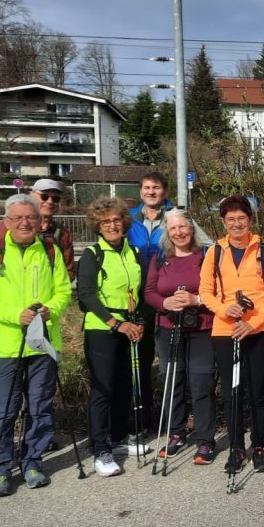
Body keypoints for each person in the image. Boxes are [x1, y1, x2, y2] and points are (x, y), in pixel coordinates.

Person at [0, 194, 72, 496]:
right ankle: (1, 468)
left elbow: (63, 291)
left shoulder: (50, 250)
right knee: (4, 411)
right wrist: (16, 315)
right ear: (7, 221)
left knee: (40, 407)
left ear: (40, 221)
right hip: (5, 345)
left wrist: (50, 310)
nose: (25, 223)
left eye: (30, 217)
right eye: (17, 218)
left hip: (42, 343)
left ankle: (33, 462)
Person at [200, 195, 264, 475]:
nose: (237, 224)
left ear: (250, 219)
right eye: (231, 219)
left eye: (242, 218)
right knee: (232, 392)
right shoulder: (215, 252)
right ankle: (236, 448)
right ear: (223, 222)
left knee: (258, 391)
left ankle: (258, 447)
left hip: (259, 330)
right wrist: (224, 309)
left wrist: (254, 323)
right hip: (225, 330)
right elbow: (205, 291)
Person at [127, 171, 210, 435]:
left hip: (182, 302)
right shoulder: (130, 219)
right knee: (149, 365)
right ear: (141, 191)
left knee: (194, 376)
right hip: (143, 298)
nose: (151, 192)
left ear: (164, 191)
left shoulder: (177, 216)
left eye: (156, 187)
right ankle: (146, 422)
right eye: (147, 187)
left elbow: (207, 246)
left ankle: (198, 430)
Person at [77, 197, 149, 477]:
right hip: (102, 328)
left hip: (129, 325)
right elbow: (86, 295)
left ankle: (118, 438)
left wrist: (139, 322)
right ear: (97, 225)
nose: (112, 225)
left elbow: (142, 291)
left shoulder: (134, 252)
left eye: (117, 220)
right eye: (105, 222)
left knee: (123, 385)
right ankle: (100, 449)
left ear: (125, 222)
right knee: (103, 388)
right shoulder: (93, 254)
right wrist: (115, 323)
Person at [144, 209, 215, 463]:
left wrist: (197, 299)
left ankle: (205, 440)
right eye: (173, 228)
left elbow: (220, 291)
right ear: (167, 232)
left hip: (202, 327)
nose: (178, 232)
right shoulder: (160, 258)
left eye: (182, 227)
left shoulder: (206, 255)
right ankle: (176, 433)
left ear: (192, 228)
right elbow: (149, 291)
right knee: (173, 381)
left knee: (201, 383)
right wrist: (165, 303)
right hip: (168, 327)